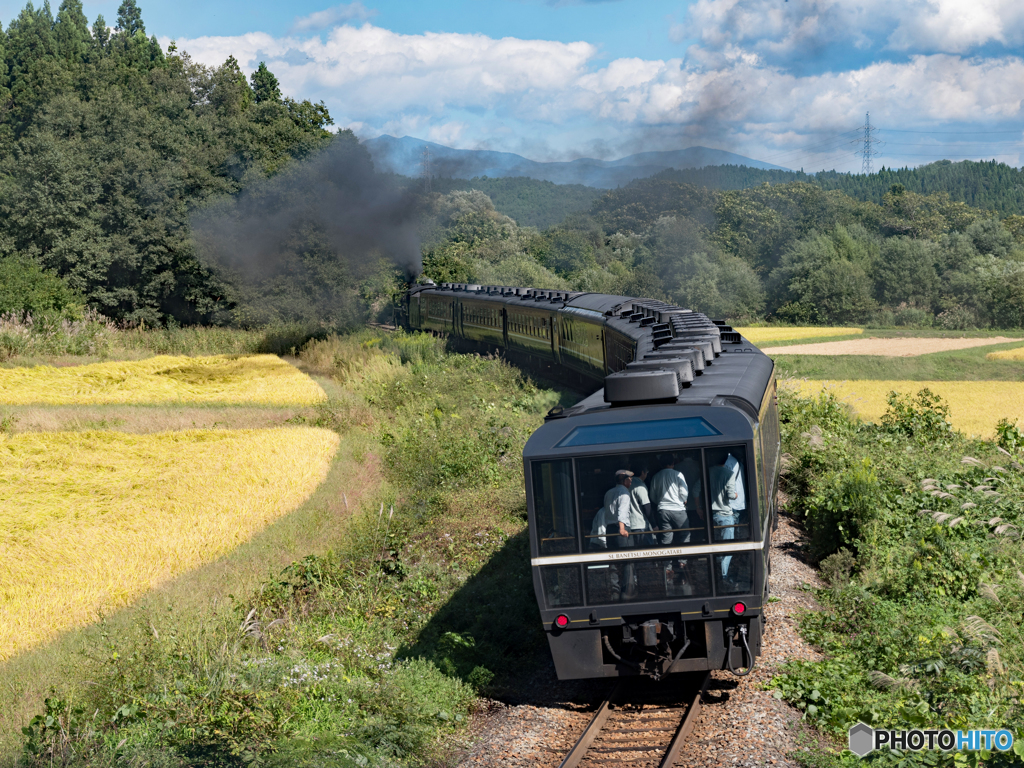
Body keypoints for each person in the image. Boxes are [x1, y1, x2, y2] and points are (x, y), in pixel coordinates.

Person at [603, 469, 636, 598]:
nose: (631, 481)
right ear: (624, 481)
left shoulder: (609, 493)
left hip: (610, 529)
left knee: (614, 561)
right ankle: (627, 592)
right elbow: (622, 512)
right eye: (629, 479)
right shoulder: (624, 493)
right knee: (628, 561)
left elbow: (607, 511)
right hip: (621, 529)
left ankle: (614, 590)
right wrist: (622, 529)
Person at [718, 453, 746, 579]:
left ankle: (724, 573)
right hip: (736, 504)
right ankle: (727, 570)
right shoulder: (733, 461)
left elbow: (727, 488)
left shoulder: (728, 463)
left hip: (731, 505)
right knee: (730, 538)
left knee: (728, 541)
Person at [650, 455, 689, 545]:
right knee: (685, 534)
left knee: (666, 536)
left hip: (662, 510)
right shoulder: (678, 474)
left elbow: (652, 496)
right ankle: (682, 559)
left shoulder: (656, 476)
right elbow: (684, 492)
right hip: (678, 509)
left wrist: (660, 502)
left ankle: (667, 559)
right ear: (673, 463)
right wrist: (684, 499)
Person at [629, 464, 654, 547]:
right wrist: (654, 525)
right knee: (646, 552)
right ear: (642, 472)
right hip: (640, 525)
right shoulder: (640, 486)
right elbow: (646, 506)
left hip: (629, 525)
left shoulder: (627, 484)